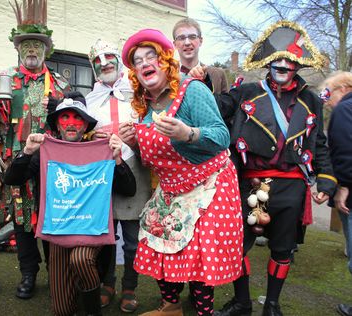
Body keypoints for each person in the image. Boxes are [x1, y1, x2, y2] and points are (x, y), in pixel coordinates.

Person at [192, 21, 337, 316]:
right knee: (238, 247)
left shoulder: (311, 100)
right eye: (277, 59)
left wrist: (327, 181)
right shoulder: (245, 92)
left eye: (290, 60)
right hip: (247, 183)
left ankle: (272, 305)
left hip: (291, 186)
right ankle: (242, 303)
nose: (283, 64)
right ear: (268, 62)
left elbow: (319, 143)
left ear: (298, 65)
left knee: (283, 250)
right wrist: (201, 82)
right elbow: (214, 107)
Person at [119, 28, 244, 316]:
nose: (145, 63)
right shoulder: (144, 109)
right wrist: (133, 143)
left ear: (165, 61)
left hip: (209, 180)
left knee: (199, 254)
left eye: (151, 56)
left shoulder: (192, 90)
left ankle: (203, 313)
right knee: (156, 237)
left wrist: (188, 133)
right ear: (136, 74)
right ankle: (171, 307)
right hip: (173, 185)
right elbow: (152, 158)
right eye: (138, 61)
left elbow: (221, 136)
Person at [4, 92, 137, 316]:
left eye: (77, 119)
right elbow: (12, 179)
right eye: (64, 118)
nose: (71, 124)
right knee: (63, 310)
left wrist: (117, 159)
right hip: (57, 231)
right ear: (57, 124)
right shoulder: (45, 151)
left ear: (86, 125)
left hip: (92, 232)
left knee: (81, 258)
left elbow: (129, 189)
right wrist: (26, 151)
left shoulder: (100, 150)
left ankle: (94, 312)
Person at [0, 0, 69, 299]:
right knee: (21, 219)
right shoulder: (5, 79)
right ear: (18, 50)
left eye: (37, 45)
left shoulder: (59, 83)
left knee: (51, 216)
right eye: (26, 45)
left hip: (52, 163)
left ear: (46, 50)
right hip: (16, 161)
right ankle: (28, 274)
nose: (32, 50)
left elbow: (74, 123)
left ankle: (57, 273)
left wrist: (63, 107)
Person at [85, 39, 151, 313]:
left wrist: (137, 138)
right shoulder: (89, 99)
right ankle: (108, 283)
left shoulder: (139, 92)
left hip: (135, 167)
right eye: (98, 60)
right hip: (102, 171)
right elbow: (80, 131)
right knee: (106, 236)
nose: (105, 63)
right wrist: (91, 135)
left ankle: (129, 287)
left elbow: (152, 127)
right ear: (93, 67)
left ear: (119, 60)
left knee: (133, 238)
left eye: (109, 57)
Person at [320, 71, 352, 316]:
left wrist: (343, 187)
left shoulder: (344, 110)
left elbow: (343, 150)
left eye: (328, 93)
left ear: (343, 88)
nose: (326, 100)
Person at [172, 18, 229, 93]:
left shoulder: (218, 75)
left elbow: (226, 104)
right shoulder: (166, 76)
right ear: (175, 44)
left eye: (192, 37)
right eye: (181, 38)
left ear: (200, 41)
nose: (187, 43)